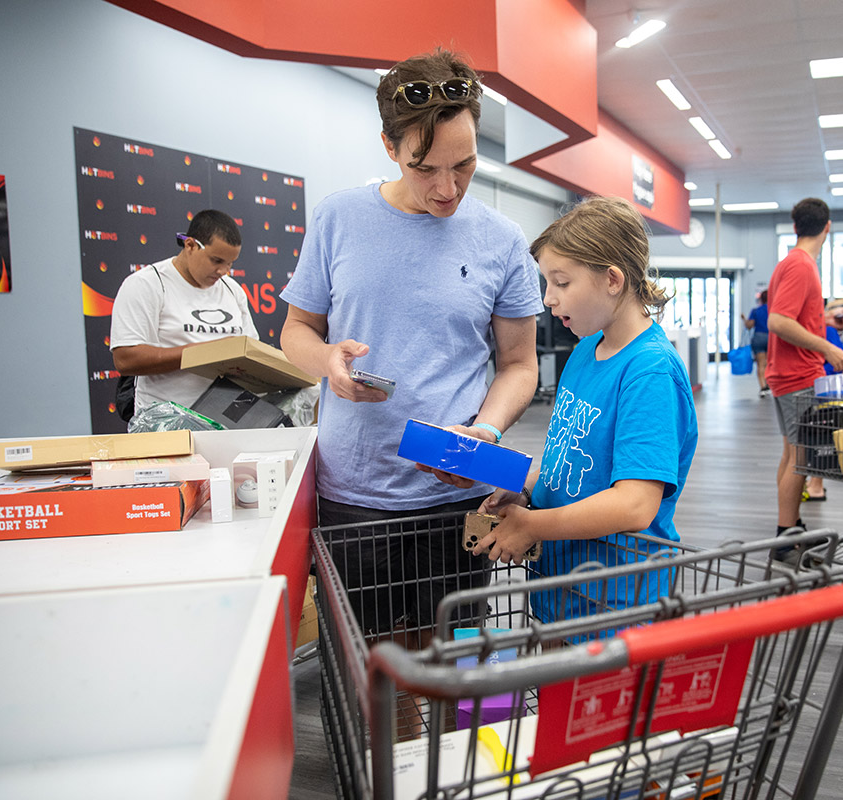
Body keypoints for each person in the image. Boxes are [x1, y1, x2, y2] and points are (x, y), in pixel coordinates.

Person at [278, 50, 542, 639]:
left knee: (449, 659)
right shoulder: (338, 218)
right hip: (355, 492)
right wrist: (327, 360)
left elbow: (519, 364)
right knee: (363, 660)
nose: (448, 189)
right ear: (390, 147)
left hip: (458, 490)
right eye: (426, 168)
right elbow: (295, 331)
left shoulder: (502, 239)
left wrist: (488, 429)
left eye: (464, 165)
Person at [469, 196, 698, 623]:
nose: (548, 299)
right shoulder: (585, 350)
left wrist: (533, 526)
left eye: (561, 283)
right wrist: (528, 489)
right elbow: (572, 461)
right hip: (559, 584)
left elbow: (635, 505)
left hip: (616, 599)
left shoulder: (650, 371)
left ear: (612, 279)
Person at [110, 209, 258, 421]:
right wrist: (207, 353)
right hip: (165, 422)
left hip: (226, 422)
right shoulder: (147, 284)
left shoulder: (233, 290)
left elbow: (251, 352)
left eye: (230, 263)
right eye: (216, 260)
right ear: (190, 245)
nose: (223, 271)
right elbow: (126, 359)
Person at [766, 198, 843, 543]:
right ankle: (786, 535)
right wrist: (827, 347)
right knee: (801, 458)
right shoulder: (802, 265)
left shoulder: (791, 262)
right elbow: (778, 321)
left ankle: (792, 524)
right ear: (827, 227)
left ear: (795, 226)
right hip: (798, 374)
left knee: (792, 454)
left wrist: (824, 321)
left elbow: (791, 316)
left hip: (788, 372)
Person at [804, 304, 843, 503]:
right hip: (825, 387)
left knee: (818, 437)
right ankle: (815, 483)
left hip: (822, 388)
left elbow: (839, 362)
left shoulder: (825, 331)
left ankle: (816, 485)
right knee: (819, 436)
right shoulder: (826, 331)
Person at [742, 290, 770, 396]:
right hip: (771, 338)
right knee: (769, 363)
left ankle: (763, 387)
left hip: (759, 338)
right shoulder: (773, 310)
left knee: (761, 364)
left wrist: (744, 319)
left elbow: (749, 326)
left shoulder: (756, 311)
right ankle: (768, 384)